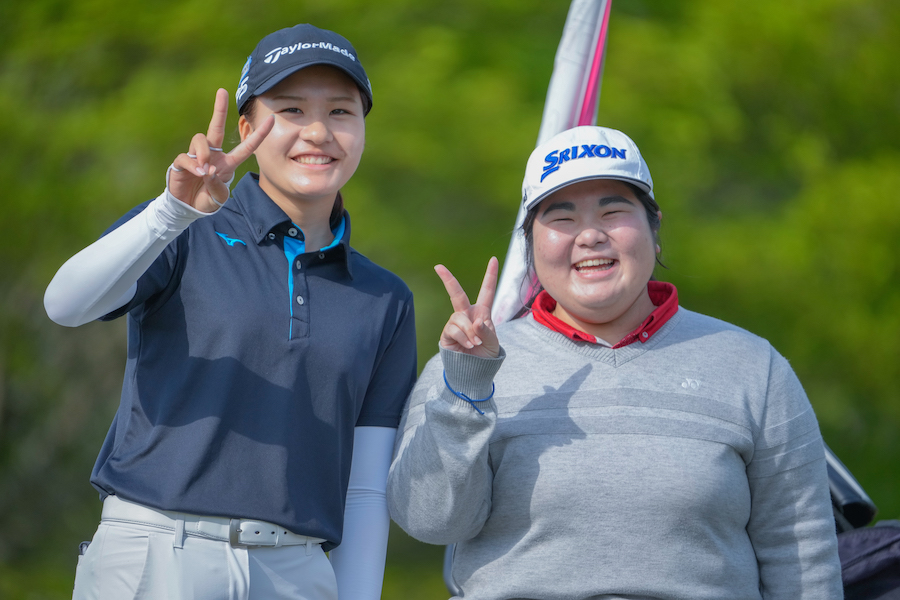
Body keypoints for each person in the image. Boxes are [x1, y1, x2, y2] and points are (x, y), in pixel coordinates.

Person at [387, 126, 843, 599]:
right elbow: (428, 520)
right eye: (562, 218)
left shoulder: (752, 365)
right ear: (531, 248)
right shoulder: (466, 362)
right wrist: (466, 389)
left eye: (613, 212)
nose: (590, 235)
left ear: (654, 229)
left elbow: (802, 558)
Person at [44, 23, 416, 600]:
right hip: (159, 554)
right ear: (247, 129)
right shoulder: (183, 227)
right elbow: (64, 305)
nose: (319, 131)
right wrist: (172, 213)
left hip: (298, 571)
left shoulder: (385, 297)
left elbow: (366, 489)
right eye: (291, 110)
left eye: (341, 112)